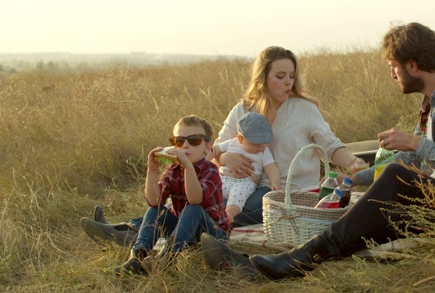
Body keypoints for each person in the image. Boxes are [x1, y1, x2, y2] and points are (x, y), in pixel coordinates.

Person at [200, 22, 435, 280]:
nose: (393, 74)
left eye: (393, 67)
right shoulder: (432, 103)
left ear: (412, 66)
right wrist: (357, 178)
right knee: (369, 218)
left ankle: (294, 259)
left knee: (395, 176)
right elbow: (414, 160)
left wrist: (415, 142)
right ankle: (274, 266)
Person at [80, 46, 367, 245]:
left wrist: (355, 165)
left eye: (291, 76)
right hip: (237, 183)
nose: (288, 82)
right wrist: (225, 157)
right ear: (263, 78)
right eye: (280, 76)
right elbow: (212, 150)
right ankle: (130, 228)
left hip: (284, 192)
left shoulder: (305, 109)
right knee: (191, 197)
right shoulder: (243, 109)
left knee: (220, 208)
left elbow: (332, 147)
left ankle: (138, 231)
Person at [111, 115, 230, 275]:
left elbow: (195, 200)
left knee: (192, 209)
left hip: (211, 234)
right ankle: (138, 256)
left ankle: (167, 258)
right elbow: (154, 201)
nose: (185, 146)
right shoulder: (173, 171)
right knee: (156, 210)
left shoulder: (210, 170)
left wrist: (188, 167)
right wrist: (152, 170)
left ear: (207, 148)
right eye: (179, 141)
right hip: (182, 231)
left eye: (193, 140)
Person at [212, 112, 281, 224]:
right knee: (209, 189)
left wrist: (275, 182)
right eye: (256, 144)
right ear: (240, 139)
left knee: (237, 197)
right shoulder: (232, 143)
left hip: (245, 182)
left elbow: (271, 167)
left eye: (264, 143)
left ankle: (229, 214)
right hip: (223, 178)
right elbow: (215, 150)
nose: (261, 147)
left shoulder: (264, 152)